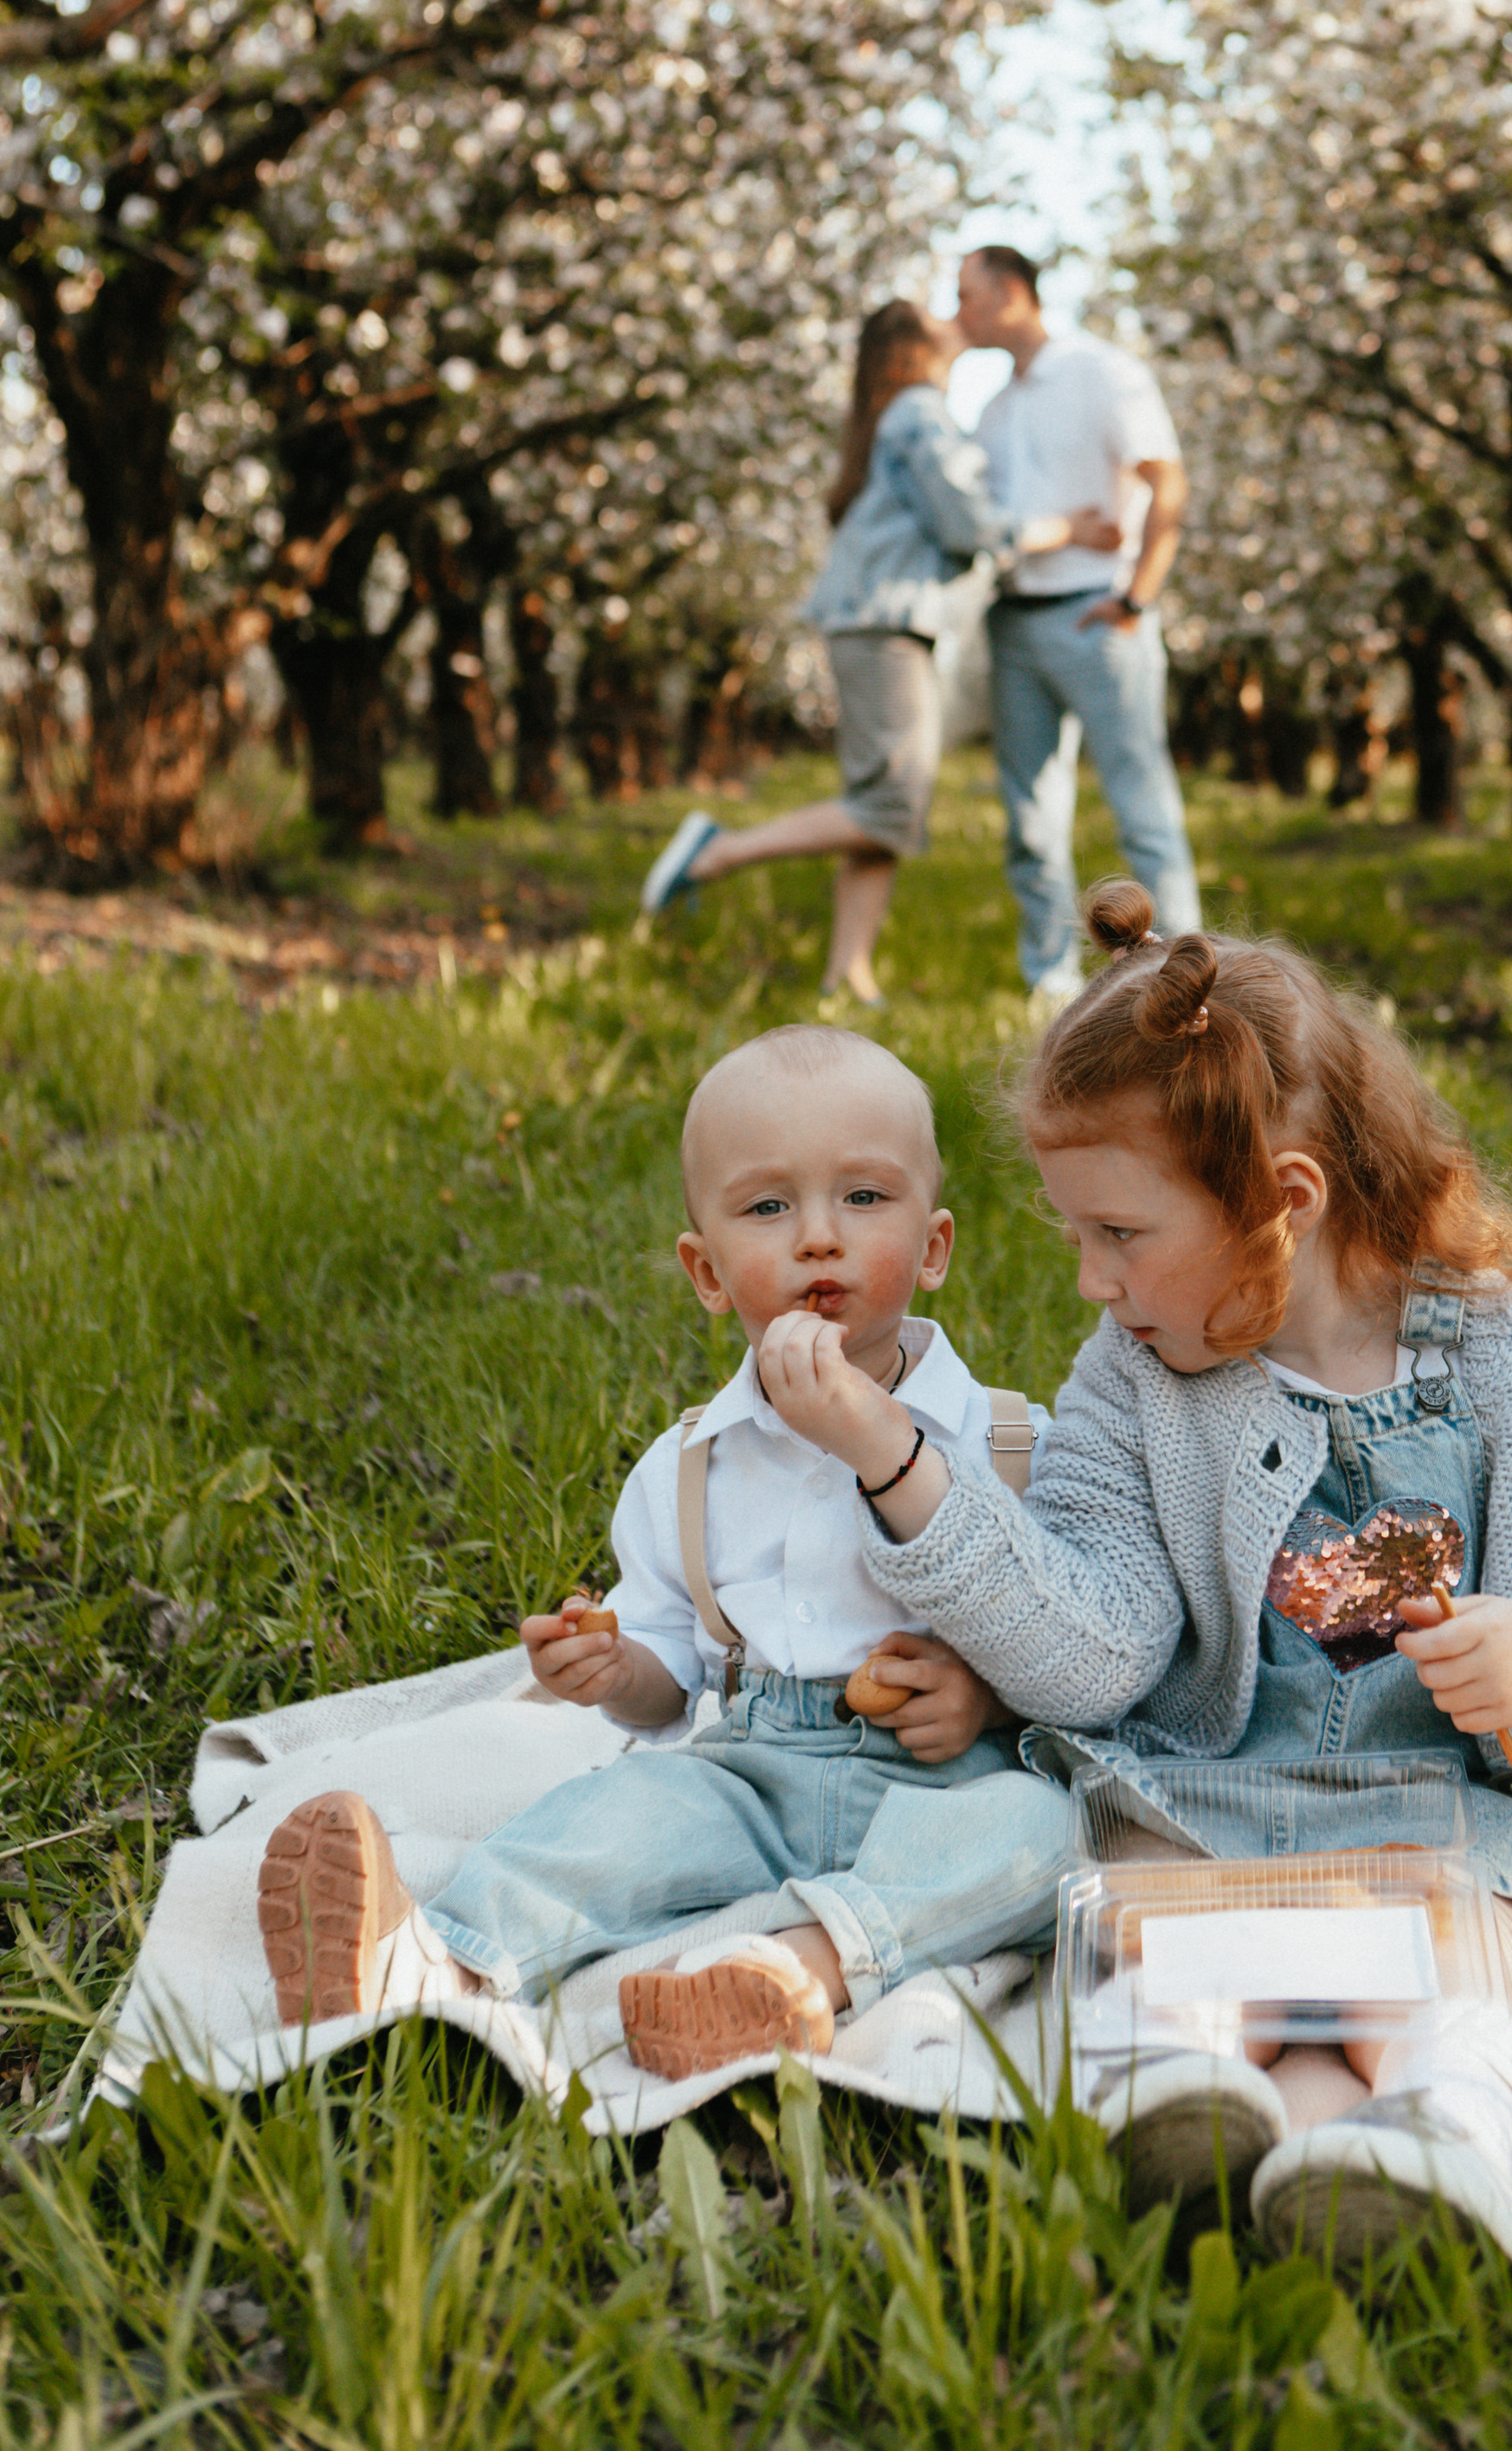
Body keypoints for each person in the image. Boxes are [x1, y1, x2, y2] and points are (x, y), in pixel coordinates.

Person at [752, 883, 1512, 2275]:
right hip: (1211, 1802)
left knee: (1466, 1955)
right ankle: (1192, 2112)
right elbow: (1094, 1657)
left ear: (1284, 1204)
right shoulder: (1130, 1389)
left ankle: (1435, 2139)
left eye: (1119, 1235)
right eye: (1077, 1235)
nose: (1090, 1282)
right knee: (1182, 1969)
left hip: (1460, 1818)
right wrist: (894, 1459)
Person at [254, 1028, 1078, 2076]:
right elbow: (665, 1686)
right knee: (616, 1814)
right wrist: (610, 1670)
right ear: (705, 1270)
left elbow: (1071, 1638)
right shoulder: (689, 1465)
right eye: (768, 1207)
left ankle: (792, 1975)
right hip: (754, 1764)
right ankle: (426, 1963)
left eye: (864, 1199)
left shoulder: (1009, 1442)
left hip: (945, 1779)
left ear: (935, 1248)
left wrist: (990, 1700)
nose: (818, 1238)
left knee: (1043, 1830)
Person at [639, 299, 1119, 1006]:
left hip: (879, 622)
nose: (957, 316)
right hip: (883, 625)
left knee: (884, 809)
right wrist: (1066, 530)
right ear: (910, 347)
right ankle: (716, 852)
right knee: (890, 805)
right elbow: (969, 525)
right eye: (938, 313)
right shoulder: (920, 411)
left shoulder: (899, 415)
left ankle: (848, 972)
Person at [953, 245, 1202, 1008]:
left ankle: (1190, 982)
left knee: (1141, 805)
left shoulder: (1103, 372)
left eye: (966, 295)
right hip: (1015, 622)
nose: (956, 312)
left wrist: (1136, 598)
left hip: (1098, 613)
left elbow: (1167, 480)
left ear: (1010, 293)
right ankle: (1052, 986)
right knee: (1029, 817)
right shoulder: (993, 410)